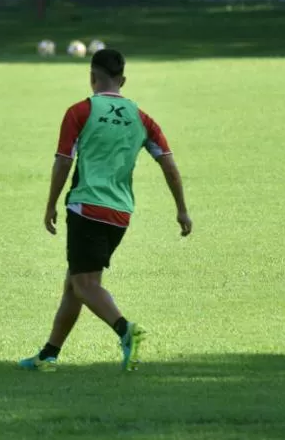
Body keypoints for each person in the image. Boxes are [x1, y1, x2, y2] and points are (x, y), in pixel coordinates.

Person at [20, 49, 192, 372]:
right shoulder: (142, 118)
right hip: (120, 214)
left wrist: (50, 204)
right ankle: (48, 355)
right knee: (76, 283)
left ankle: (126, 331)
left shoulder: (80, 112)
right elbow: (168, 162)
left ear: (91, 77)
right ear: (122, 80)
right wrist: (181, 209)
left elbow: (63, 160)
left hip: (86, 208)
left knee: (85, 286)